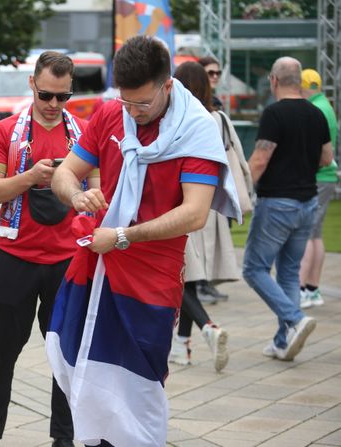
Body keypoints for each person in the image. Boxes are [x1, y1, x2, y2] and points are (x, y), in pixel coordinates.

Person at [46, 36, 241, 446]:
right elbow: (66, 172)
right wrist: (77, 195)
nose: (133, 113)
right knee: (80, 366)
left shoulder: (197, 130)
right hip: (95, 266)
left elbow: (194, 213)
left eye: (143, 104)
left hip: (149, 279)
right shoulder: (110, 113)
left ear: (167, 86)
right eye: (126, 103)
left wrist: (121, 236)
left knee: (139, 384)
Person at [0, 51, 95, 447]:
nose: (54, 105)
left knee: (67, 359)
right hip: (15, 258)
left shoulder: (85, 132)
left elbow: (99, 189)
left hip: (68, 260)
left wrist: (78, 190)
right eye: (46, 95)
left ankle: (64, 438)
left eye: (63, 96)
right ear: (33, 85)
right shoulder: (4, 131)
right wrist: (29, 177)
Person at [243, 57, 333, 362]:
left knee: (254, 268)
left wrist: (240, 197)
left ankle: (294, 319)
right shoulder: (317, 114)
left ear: (274, 80)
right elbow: (326, 158)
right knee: (289, 272)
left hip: (277, 203)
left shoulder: (274, 113)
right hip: (308, 202)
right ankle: (283, 342)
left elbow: (259, 160)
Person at [168, 61, 253, 372]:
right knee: (188, 278)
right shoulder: (218, 118)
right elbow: (239, 162)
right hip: (213, 208)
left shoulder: (180, 120)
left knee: (181, 278)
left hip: (183, 206)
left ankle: (207, 328)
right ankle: (182, 346)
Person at [298, 68, 339, 309]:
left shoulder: (317, 109)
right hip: (326, 177)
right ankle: (312, 288)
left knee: (308, 234)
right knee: (316, 234)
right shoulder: (325, 105)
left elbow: (318, 152)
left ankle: (304, 289)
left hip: (319, 176)